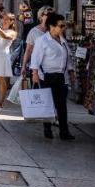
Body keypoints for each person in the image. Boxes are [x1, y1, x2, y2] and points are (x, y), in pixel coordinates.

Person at [29, 11, 75, 140]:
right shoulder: (42, 41)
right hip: (48, 76)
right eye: (61, 26)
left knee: (62, 105)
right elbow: (35, 59)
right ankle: (47, 128)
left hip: (61, 76)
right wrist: (35, 73)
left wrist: (71, 71)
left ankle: (64, 132)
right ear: (52, 26)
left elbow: (67, 58)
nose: (63, 28)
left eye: (64, 26)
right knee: (47, 104)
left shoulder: (62, 40)